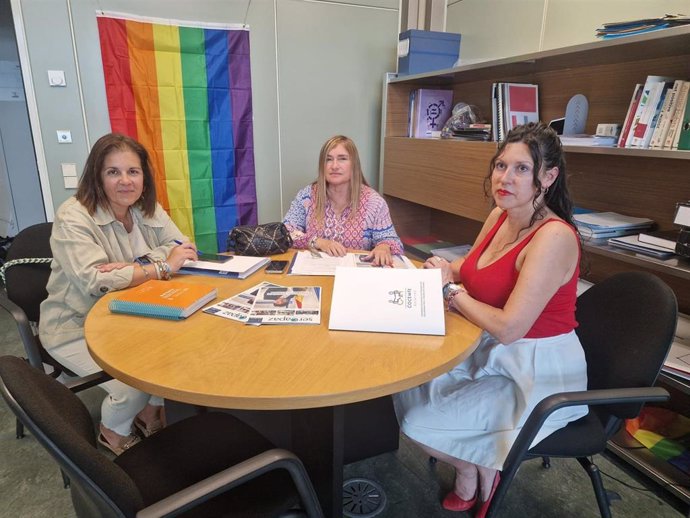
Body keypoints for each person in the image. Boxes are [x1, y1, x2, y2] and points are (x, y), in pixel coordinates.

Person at [393, 122, 588, 517]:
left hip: (534, 369)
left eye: (521, 169)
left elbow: (511, 328)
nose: (505, 178)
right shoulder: (501, 215)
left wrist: (451, 292)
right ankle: (476, 465)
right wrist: (446, 268)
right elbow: (472, 267)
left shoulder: (554, 237)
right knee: (401, 377)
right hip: (489, 349)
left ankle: (474, 470)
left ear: (548, 177)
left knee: (417, 422)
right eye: (501, 165)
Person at [39, 133, 200, 455]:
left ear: (144, 176)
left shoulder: (145, 208)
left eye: (133, 172)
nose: (125, 181)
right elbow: (94, 280)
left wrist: (132, 267)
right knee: (133, 384)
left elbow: (185, 249)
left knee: (172, 359)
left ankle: (150, 413)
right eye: (113, 172)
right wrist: (160, 266)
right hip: (75, 325)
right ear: (97, 176)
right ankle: (113, 432)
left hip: (133, 314)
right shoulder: (73, 216)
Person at [283, 135, 403, 266]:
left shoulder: (374, 203)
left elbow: (393, 242)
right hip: (314, 271)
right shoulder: (307, 196)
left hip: (355, 276)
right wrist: (319, 242)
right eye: (328, 160)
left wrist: (384, 247)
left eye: (342, 159)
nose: (334, 166)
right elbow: (285, 233)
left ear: (354, 165)